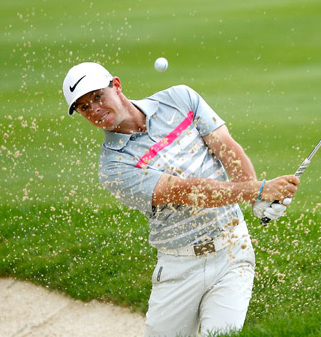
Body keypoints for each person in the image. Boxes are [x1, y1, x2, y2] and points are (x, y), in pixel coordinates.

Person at [62, 62, 300, 336]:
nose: (95, 109)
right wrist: (257, 190)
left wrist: (256, 200)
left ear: (116, 85)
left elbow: (226, 148)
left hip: (233, 252)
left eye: (97, 96)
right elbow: (188, 191)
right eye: (83, 107)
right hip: (179, 268)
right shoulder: (114, 167)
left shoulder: (179, 99)